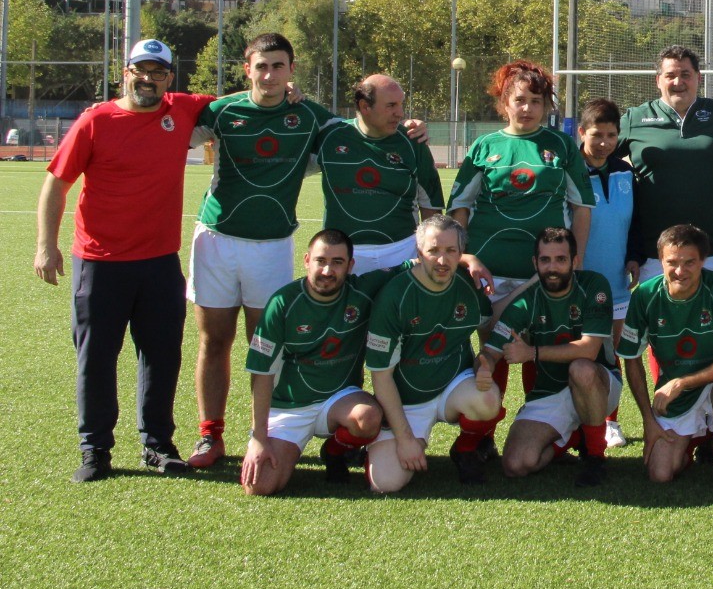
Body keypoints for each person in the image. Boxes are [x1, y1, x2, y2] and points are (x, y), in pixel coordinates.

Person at [34, 39, 212, 482]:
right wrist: (46, 245)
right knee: (96, 358)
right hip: (99, 262)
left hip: (158, 263)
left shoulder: (184, 108)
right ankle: (95, 449)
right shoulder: (96, 121)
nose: (148, 79)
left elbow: (248, 100)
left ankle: (158, 445)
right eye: (140, 70)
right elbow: (57, 184)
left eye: (158, 72)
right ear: (125, 72)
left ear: (170, 78)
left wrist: (290, 93)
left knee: (162, 355)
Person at [186, 32, 341, 470]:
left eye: (278, 66)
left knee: (267, 345)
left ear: (292, 70)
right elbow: (172, 135)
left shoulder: (309, 115)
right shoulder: (222, 111)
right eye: (261, 66)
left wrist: (408, 126)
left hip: (272, 246)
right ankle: (209, 435)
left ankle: (268, 433)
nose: (269, 74)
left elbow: (363, 133)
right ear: (247, 69)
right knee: (214, 340)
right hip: (216, 239)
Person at [239, 229, 389, 495]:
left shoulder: (362, 292)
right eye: (321, 260)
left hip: (340, 400)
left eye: (337, 262)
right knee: (258, 486)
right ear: (307, 260)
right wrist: (258, 438)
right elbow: (261, 374)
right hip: (290, 408)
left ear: (350, 266)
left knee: (367, 418)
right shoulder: (282, 302)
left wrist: (466, 259)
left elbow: (417, 266)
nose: (328, 271)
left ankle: (335, 451)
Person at [364, 215, 502, 492]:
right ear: (419, 253)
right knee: (386, 483)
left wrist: (485, 359)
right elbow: (380, 376)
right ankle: (375, 443)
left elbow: (492, 320)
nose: (442, 260)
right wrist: (404, 439)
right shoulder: (395, 296)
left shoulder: (466, 285)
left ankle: (466, 449)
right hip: (407, 401)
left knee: (487, 398)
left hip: (453, 385)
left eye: (451, 251)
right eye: (434, 251)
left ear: (461, 254)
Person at [618, 224, 713, 492]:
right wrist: (648, 422)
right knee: (660, 473)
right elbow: (631, 359)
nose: (680, 271)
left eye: (689, 262)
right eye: (672, 262)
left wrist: (681, 382)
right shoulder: (644, 296)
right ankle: (698, 439)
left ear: (702, 261)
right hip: (677, 399)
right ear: (660, 261)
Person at [484, 227, 620, 488]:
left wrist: (532, 353)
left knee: (581, 368)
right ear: (535, 263)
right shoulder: (525, 302)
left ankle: (595, 457)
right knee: (516, 465)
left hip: (598, 384)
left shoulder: (594, 285)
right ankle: (572, 437)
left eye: (561, 259)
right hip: (549, 394)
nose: (553, 267)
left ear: (575, 261)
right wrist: (485, 365)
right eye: (545, 260)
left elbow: (589, 350)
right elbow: (492, 349)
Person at [449, 59, 593, 300]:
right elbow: (459, 206)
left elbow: (582, 209)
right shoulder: (484, 146)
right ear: (505, 102)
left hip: (544, 271)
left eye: (536, 101)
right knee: (491, 336)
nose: (528, 108)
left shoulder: (563, 145)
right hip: (487, 266)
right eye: (520, 100)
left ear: (546, 106)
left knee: (539, 338)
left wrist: (574, 261)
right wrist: (463, 256)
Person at [618, 45, 713, 283]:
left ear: (698, 78)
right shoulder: (635, 118)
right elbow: (595, 153)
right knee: (657, 321)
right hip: (655, 256)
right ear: (658, 80)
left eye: (685, 74)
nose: (678, 82)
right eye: (670, 75)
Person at [317, 74, 444, 271]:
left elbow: (431, 210)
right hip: (344, 254)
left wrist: (430, 254)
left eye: (401, 104)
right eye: (391, 105)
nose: (400, 113)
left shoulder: (414, 142)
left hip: (402, 251)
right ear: (365, 106)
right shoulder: (331, 137)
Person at [576, 97, 633, 448]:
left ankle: (610, 421)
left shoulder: (626, 172)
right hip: (578, 283)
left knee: (613, 352)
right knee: (580, 352)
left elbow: (637, 222)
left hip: (617, 281)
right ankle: (576, 419)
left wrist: (637, 256)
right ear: (582, 132)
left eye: (611, 135)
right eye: (597, 134)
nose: (604, 142)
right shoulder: (570, 172)